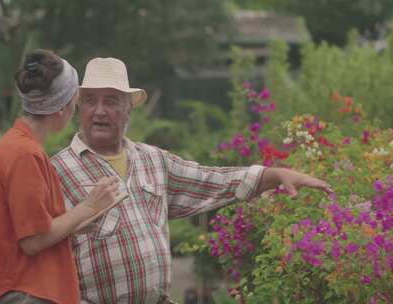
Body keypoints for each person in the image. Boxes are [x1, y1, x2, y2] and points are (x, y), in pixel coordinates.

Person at [50, 57, 333, 304]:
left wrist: (275, 175)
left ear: (128, 110)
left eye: (111, 101)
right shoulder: (56, 171)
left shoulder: (153, 160)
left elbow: (213, 180)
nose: (99, 111)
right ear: (79, 108)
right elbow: (36, 248)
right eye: (90, 101)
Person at [0, 50, 121, 304]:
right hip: (18, 292)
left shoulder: (17, 144)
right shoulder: (25, 154)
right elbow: (33, 240)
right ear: (61, 109)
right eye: (75, 101)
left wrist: (77, 223)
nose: (76, 109)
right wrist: (89, 206)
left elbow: (27, 229)